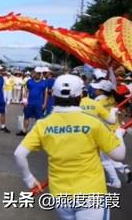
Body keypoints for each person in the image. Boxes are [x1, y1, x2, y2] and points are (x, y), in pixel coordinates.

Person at [14, 74, 126, 220]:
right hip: (91, 194)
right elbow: (118, 155)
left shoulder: (43, 124)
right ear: (80, 95)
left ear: (53, 94)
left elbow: (19, 154)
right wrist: (118, 135)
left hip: (60, 196)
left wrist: (29, 179)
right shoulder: (93, 123)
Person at [16, 67, 47, 136]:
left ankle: (39, 133)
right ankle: (24, 131)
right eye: (37, 73)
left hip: (38, 103)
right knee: (26, 117)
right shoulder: (29, 82)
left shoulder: (44, 83)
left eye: (40, 73)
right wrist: (24, 101)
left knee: (39, 119)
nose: (38, 75)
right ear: (34, 73)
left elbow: (46, 94)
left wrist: (44, 104)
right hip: (29, 103)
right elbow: (26, 92)